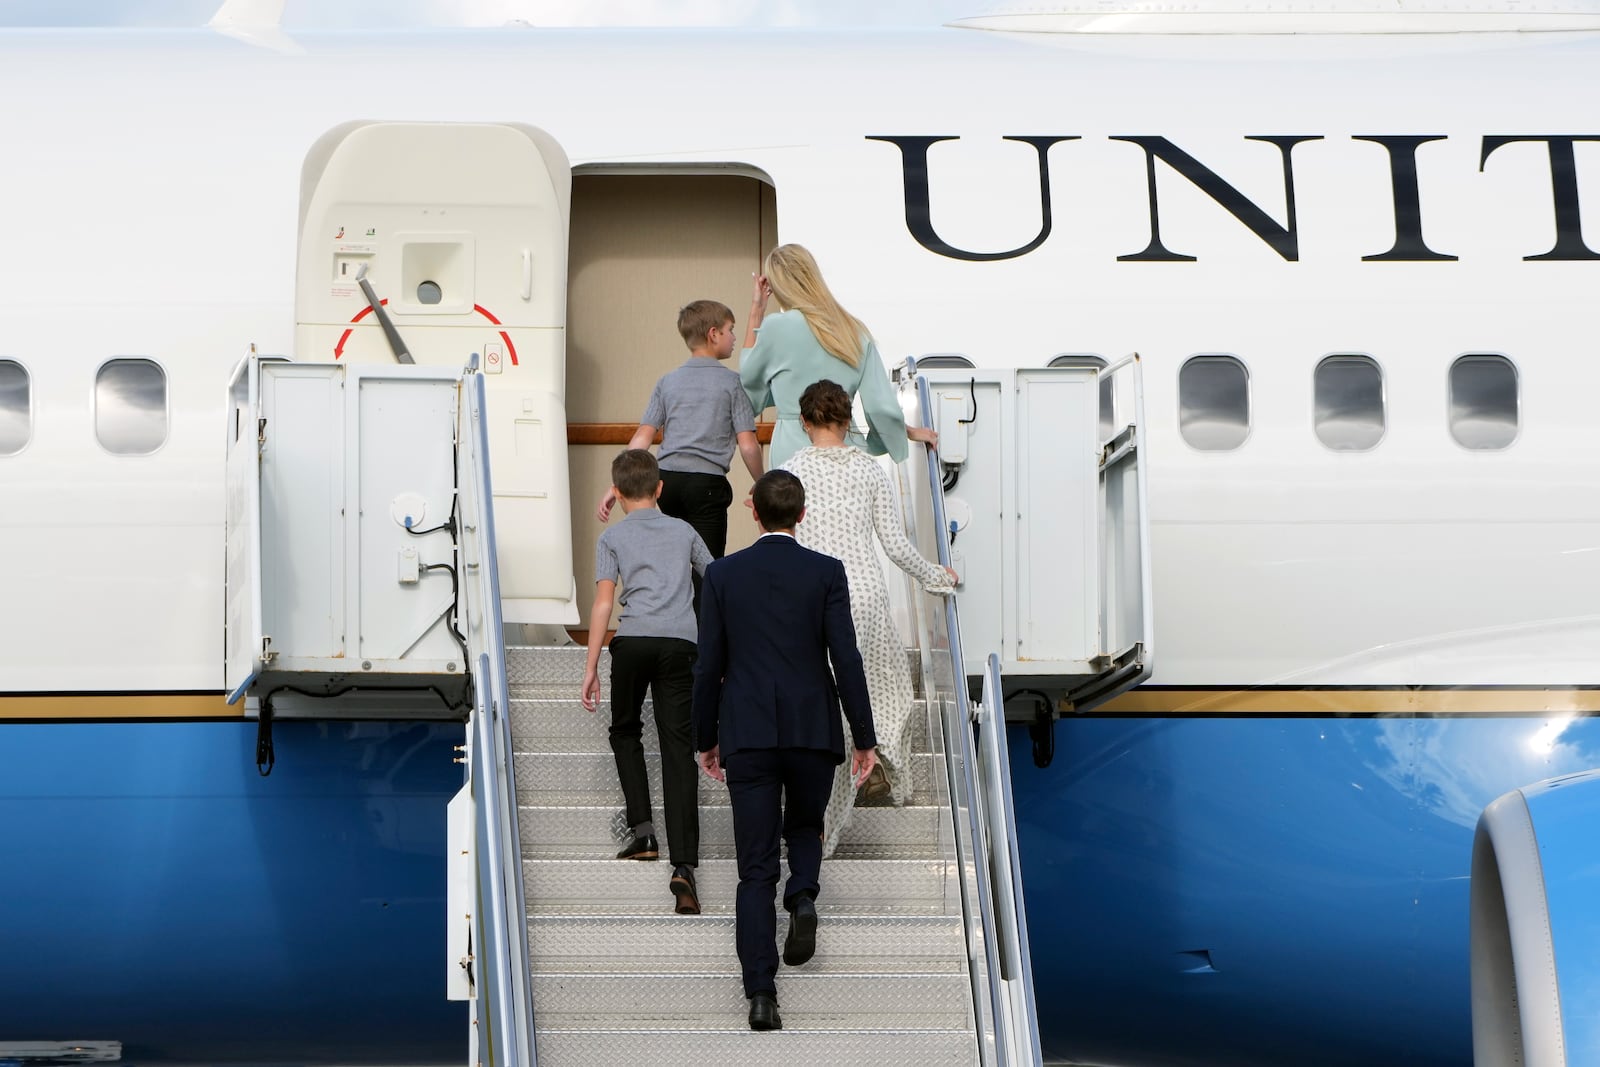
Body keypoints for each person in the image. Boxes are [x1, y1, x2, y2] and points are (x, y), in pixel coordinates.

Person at [692, 470, 878, 1032]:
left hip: (747, 731)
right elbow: (845, 659)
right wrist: (864, 737)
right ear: (801, 515)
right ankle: (802, 897)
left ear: (753, 511)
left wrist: (706, 738)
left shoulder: (723, 575)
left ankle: (761, 995)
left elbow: (708, 666)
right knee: (804, 825)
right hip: (811, 728)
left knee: (754, 869)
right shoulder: (826, 573)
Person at [781, 380, 958, 858]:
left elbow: (784, 541)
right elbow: (895, 545)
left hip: (812, 598)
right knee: (880, 689)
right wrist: (936, 576)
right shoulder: (868, 468)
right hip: (863, 594)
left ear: (804, 422)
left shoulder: (791, 470)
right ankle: (876, 760)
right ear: (846, 422)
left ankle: (823, 826)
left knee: (826, 707)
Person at [581, 448, 713, 916]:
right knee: (679, 749)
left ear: (616, 494)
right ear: (660, 489)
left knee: (625, 730)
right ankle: (685, 869)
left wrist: (592, 663)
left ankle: (643, 833)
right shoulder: (684, 531)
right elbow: (714, 580)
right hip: (681, 645)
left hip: (632, 642)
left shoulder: (612, 538)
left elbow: (602, 604)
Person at [597, 299, 764, 567]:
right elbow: (747, 445)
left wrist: (616, 483)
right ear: (714, 334)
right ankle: (703, 610)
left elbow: (643, 436)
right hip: (706, 485)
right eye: (731, 329)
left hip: (668, 484)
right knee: (708, 569)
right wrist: (761, 480)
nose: (734, 337)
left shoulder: (668, 381)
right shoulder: (732, 383)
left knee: (675, 562)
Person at [739, 243, 937, 469]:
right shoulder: (853, 330)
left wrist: (757, 309)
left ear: (778, 286)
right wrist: (906, 432)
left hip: (793, 454)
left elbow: (749, 381)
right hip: (847, 450)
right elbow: (880, 407)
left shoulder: (776, 327)